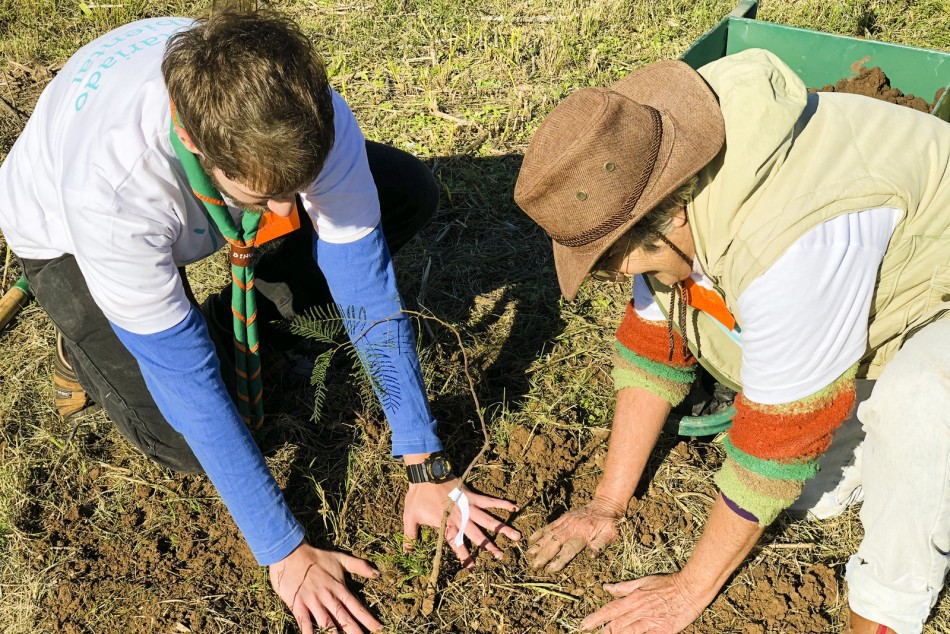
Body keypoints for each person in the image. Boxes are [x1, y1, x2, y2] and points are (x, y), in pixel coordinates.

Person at [0, 7, 520, 633]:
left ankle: (220, 317)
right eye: (263, 195)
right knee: (187, 441)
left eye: (295, 185)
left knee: (404, 189)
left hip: (197, 190)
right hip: (62, 235)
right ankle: (88, 342)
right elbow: (184, 378)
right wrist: (281, 549)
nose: (283, 209)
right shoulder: (111, 194)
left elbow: (366, 288)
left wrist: (423, 455)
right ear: (194, 143)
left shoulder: (305, 110)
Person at [514, 48, 949, 634]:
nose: (617, 275)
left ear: (667, 218)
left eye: (614, 259)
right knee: (803, 495)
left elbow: (777, 443)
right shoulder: (673, 180)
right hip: (889, 276)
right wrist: (606, 503)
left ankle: (889, 603)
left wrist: (688, 590)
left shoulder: (792, 244)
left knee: (919, 401)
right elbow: (654, 340)